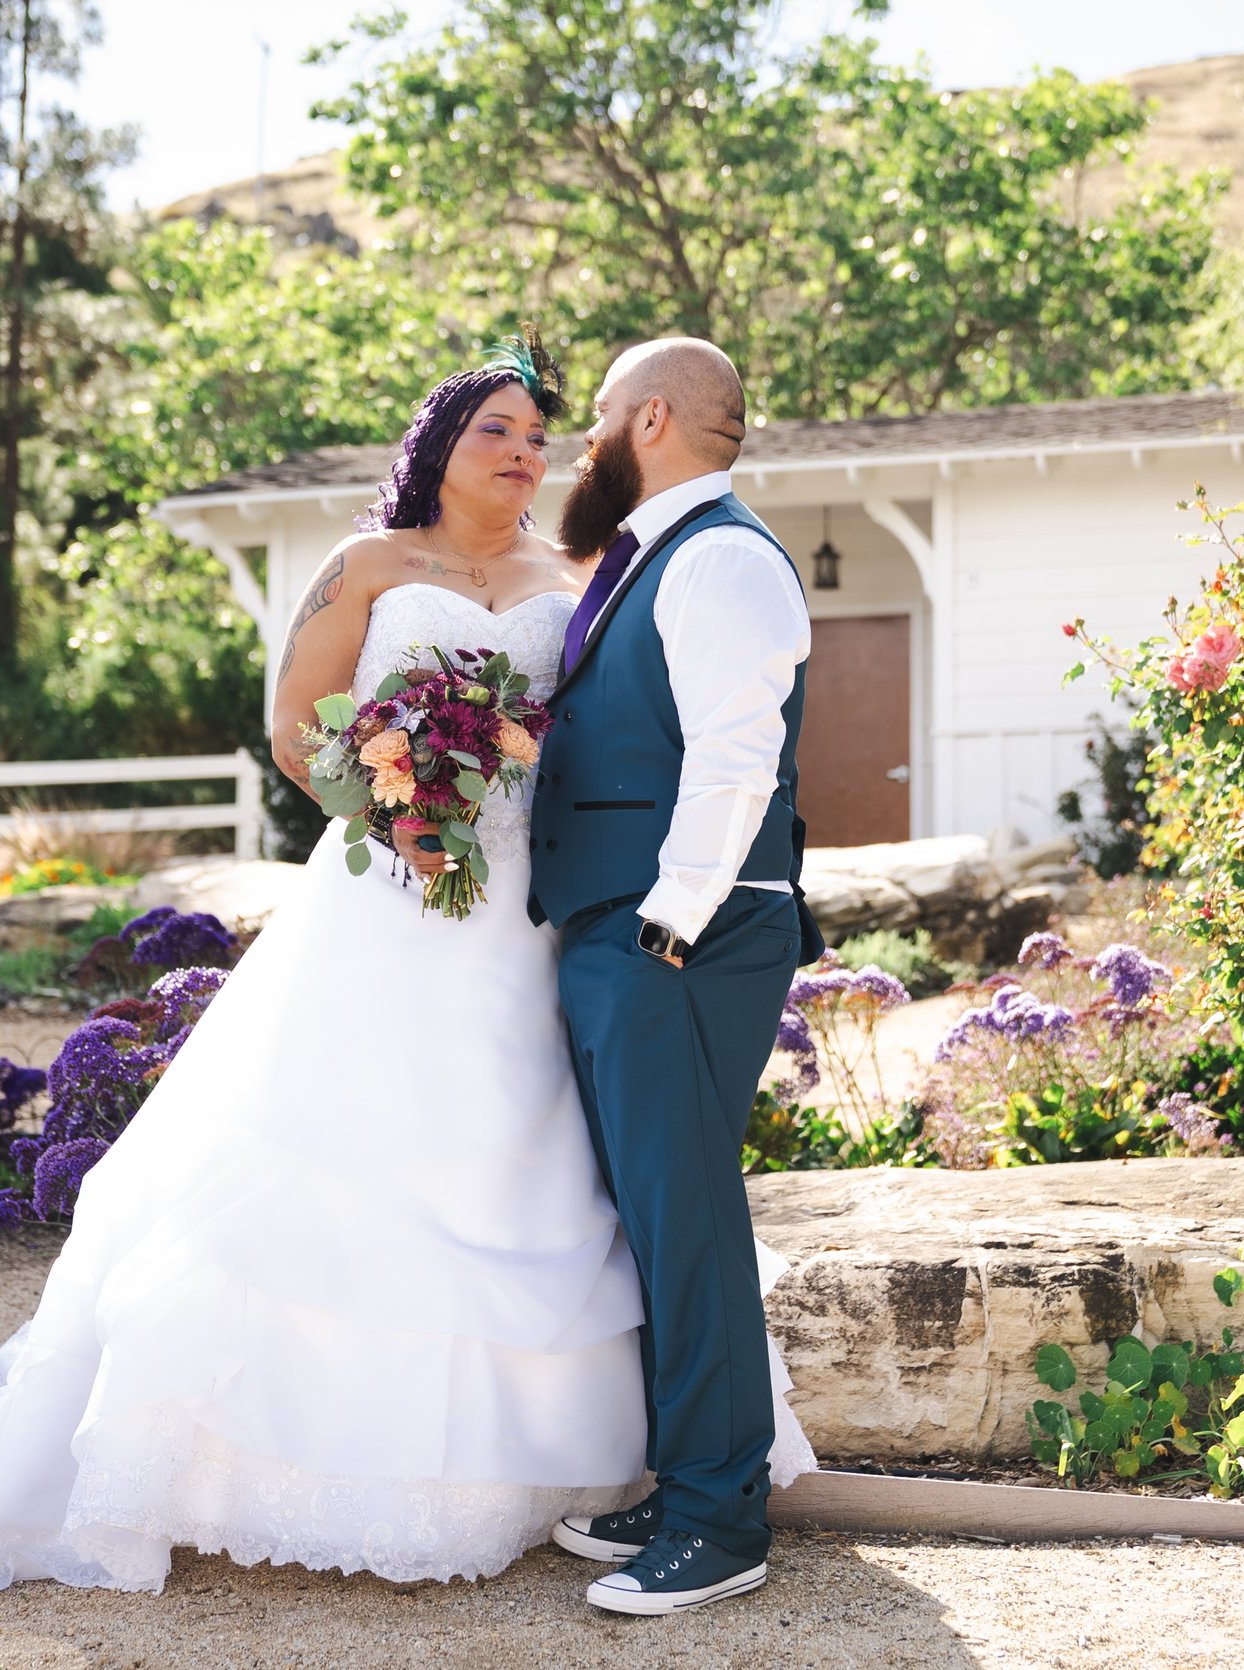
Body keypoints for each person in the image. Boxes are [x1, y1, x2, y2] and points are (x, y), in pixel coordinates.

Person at [0, 335, 812, 1595]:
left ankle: (600, 1472)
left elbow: (626, 734)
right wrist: (397, 805)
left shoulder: (591, 572)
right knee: (346, 1152)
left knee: (552, 1173)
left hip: (535, 919)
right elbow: (294, 727)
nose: (528, 449)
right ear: (438, 444)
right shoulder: (368, 564)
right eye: (497, 428)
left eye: (540, 431)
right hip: (389, 897)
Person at [530, 337, 820, 1616]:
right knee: (655, 1220)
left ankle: (718, 1518)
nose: (581, 443)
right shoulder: (657, 555)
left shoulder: (720, 560)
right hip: (635, 932)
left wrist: (665, 924)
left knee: (689, 1222)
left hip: (681, 939)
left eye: (594, 417)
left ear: (648, 417)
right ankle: (686, 1472)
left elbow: (735, 756)